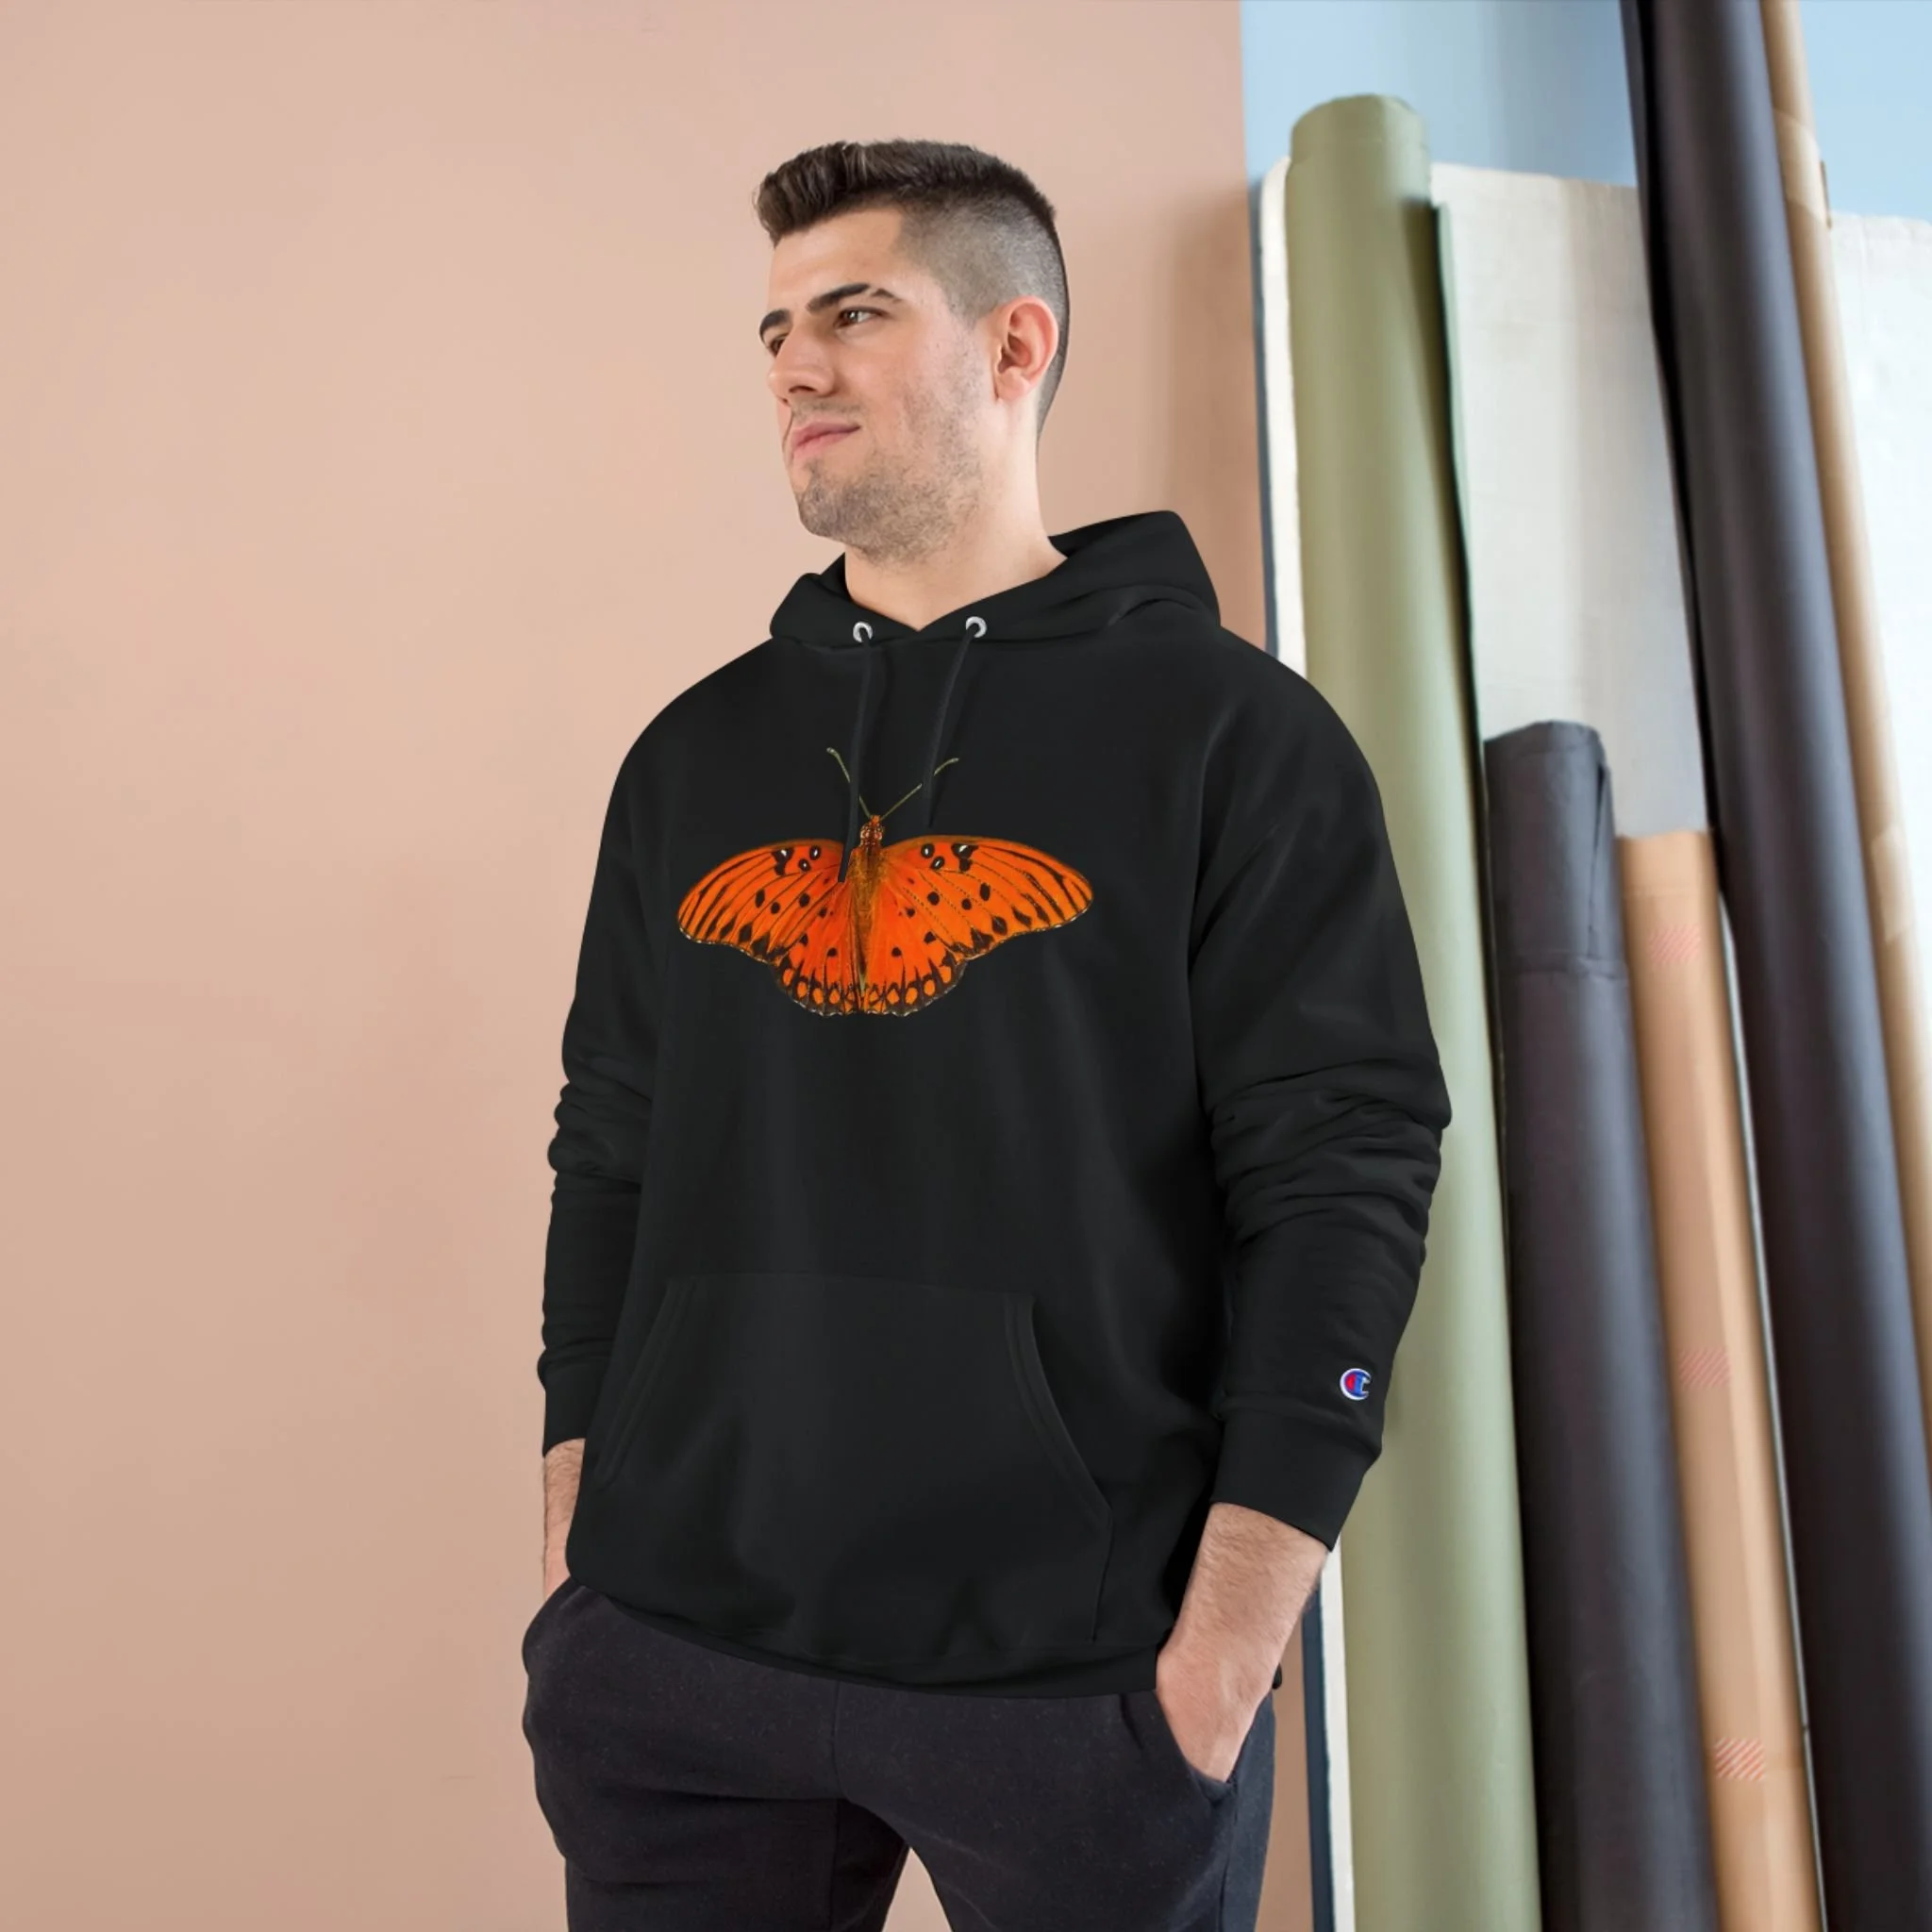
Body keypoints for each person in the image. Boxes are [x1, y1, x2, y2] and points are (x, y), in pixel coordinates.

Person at [519, 137, 1450, 1932]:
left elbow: (1343, 1177)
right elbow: (608, 1142)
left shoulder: (1237, 741)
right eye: (775, 329)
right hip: (677, 1655)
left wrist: (1229, 1645)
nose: (794, 367)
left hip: (1077, 1680)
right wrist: (579, 1523)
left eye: (855, 314)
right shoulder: (693, 759)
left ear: (1017, 345)